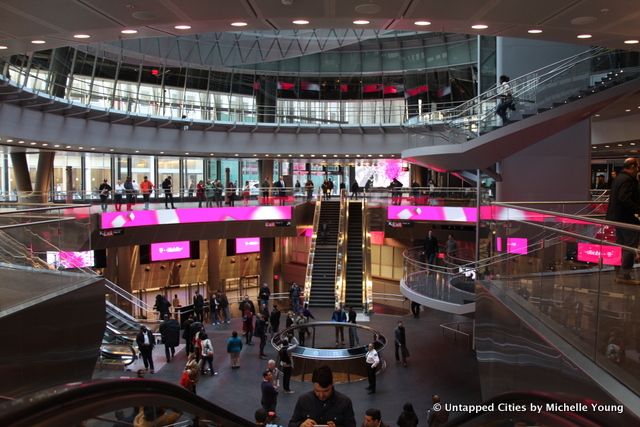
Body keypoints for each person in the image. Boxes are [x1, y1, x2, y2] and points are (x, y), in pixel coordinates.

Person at [605, 157, 640, 283]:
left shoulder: (619, 178)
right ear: (632, 167)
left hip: (617, 218)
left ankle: (618, 272)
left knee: (620, 244)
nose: (638, 169)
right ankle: (625, 275)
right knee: (630, 245)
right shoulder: (628, 180)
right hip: (626, 218)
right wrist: (637, 209)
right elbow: (624, 198)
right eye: (637, 167)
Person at [288, 365, 355, 427]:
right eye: (317, 391)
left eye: (326, 391)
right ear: (313, 384)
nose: (321, 395)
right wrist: (301, 425)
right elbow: (291, 424)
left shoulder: (345, 402)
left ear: (332, 384)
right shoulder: (303, 400)